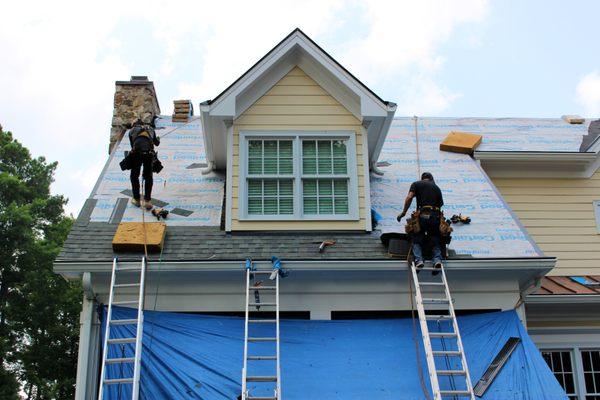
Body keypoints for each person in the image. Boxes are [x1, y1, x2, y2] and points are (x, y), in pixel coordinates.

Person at [397, 172, 444, 273]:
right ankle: (437, 260)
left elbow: (409, 197)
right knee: (435, 237)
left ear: (422, 178)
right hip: (436, 216)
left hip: (423, 214)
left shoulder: (416, 184)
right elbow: (440, 205)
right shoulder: (437, 188)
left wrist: (404, 212)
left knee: (416, 236)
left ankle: (418, 260)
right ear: (431, 179)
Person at [128, 118, 160, 210]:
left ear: (134, 124)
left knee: (134, 176)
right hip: (149, 154)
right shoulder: (150, 129)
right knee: (148, 177)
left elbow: (132, 145)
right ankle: (147, 201)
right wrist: (157, 139)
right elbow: (156, 143)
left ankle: (136, 199)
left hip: (137, 154)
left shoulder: (132, 130)